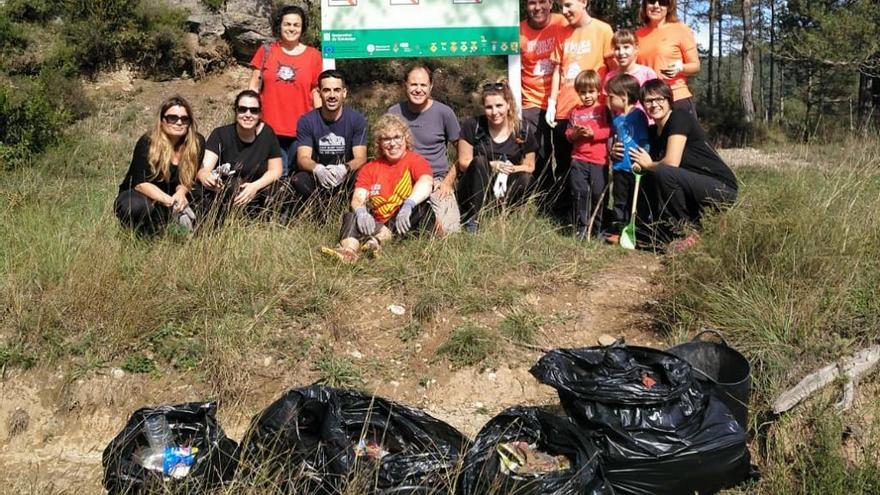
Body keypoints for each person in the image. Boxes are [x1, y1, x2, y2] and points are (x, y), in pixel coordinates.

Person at [628, 79, 737, 250]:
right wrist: (617, 149)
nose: (654, 104)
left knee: (664, 172)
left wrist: (649, 165)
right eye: (649, 101)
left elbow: (671, 162)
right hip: (691, 187)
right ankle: (647, 225)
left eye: (660, 99)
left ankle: (687, 233)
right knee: (650, 175)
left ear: (669, 100)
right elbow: (637, 158)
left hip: (720, 189)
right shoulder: (652, 133)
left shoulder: (680, 117)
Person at [322, 114, 435, 263]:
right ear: (379, 143)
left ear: (405, 139)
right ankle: (348, 251)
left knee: (422, 207)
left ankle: (375, 243)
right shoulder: (370, 168)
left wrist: (409, 204)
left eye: (397, 137)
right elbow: (358, 198)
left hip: (406, 221)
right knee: (353, 214)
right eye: (386, 139)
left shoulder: (415, 160)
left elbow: (426, 181)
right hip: (379, 223)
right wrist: (362, 212)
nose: (392, 143)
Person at [546, 0, 614, 222]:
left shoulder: (603, 30)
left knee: (595, 168)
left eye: (568, 5)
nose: (564, 11)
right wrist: (552, 102)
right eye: (561, 6)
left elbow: (612, 68)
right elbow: (557, 69)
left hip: (595, 113)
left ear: (584, 2)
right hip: (566, 112)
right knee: (566, 166)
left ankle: (598, 217)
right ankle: (569, 215)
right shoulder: (561, 32)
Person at [388, 64, 462, 235]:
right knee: (393, 228)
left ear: (431, 87)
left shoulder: (445, 113)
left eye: (423, 85)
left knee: (451, 232)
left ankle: (431, 217)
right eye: (413, 85)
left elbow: (463, 153)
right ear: (405, 85)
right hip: (404, 179)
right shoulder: (393, 112)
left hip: (437, 181)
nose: (418, 90)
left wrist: (447, 182)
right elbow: (385, 149)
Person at [248, 4, 322, 176]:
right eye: (287, 24)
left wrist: (321, 123)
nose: (291, 28)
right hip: (269, 128)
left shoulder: (313, 55)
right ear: (279, 25)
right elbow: (253, 87)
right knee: (277, 177)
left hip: (302, 130)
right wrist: (251, 118)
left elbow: (316, 92)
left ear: (302, 28)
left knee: (299, 177)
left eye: (296, 25)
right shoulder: (266, 50)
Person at [115, 95, 204, 236]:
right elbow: (140, 184)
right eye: (172, 118)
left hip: (174, 196)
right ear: (162, 120)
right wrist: (171, 202)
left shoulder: (197, 143)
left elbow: (189, 178)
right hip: (144, 195)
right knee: (136, 206)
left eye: (184, 119)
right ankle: (141, 236)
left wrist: (181, 194)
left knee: (205, 195)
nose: (179, 122)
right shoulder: (147, 142)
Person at [457, 81, 538, 233]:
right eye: (489, 107)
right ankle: (473, 219)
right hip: (476, 183)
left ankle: (505, 213)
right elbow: (463, 162)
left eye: (499, 106)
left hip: (506, 182)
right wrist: (492, 165)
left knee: (527, 179)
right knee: (480, 162)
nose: (494, 112)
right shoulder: (472, 125)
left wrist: (507, 167)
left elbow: (530, 166)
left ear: (508, 105)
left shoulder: (523, 129)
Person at [288, 69, 368, 218]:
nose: (332, 95)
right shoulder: (307, 120)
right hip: (318, 177)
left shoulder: (357, 119)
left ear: (344, 93)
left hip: (344, 175)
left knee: (363, 176)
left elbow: (361, 158)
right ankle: (317, 214)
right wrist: (317, 169)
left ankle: (350, 212)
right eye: (326, 90)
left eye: (336, 90)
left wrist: (344, 168)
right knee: (299, 180)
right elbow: (302, 158)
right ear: (319, 93)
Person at [195, 90, 283, 221]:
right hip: (229, 192)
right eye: (242, 109)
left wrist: (254, 187)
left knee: (283, 189)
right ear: (235, 111)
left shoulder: (267, 133)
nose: (248, 115)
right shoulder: (220, 134)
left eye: (253, 110)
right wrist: (207, 178)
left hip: (257, 190)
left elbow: (276, 170)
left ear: (260, 114)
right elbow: (204, 169)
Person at [520, 0, 569, 205]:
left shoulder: (563, 23)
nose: (537, 7)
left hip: (561, 98)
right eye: (532, 3)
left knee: (564, 148)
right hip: (531, 99)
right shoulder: (518, 31)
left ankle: (566, 194)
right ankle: (545, 197)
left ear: (550, 3)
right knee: (539, 150)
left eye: (542, 2)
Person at [606, 73, 651, 243]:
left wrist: (641, 160)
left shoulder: (638, 115)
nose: (609, 100)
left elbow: (644, 139)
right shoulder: (616, 117)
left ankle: (637, 229)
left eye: (612, 97)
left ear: (624, 97)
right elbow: (615, 139)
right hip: (619, 167)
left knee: (636, 200)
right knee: (619, 200)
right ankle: (618, 229)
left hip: (635, 168)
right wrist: (612, 153)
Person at [566, 70, 611, 240]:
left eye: (591, 91)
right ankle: (581, 228)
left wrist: (594, 133)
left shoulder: (603, 109)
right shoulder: (574, 112)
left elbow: (610, 130)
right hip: (578, 159)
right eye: (583, 92)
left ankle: (597, 227)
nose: (587, 96)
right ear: (578, 93)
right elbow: (568, 134)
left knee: (598, 193)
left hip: (599, 161)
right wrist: (575, 134)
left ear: (598, 91)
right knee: (580, 193)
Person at [636, 0, 700, 115]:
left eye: (662, 2)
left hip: (676, 99)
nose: (656, 6)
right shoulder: (637, 35)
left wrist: (680, 68)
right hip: (649, 103)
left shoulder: (680, 29)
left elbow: (695, 66)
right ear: (645, 5)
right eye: (651, 1)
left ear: (669, 7)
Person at [603, 28, 659, 93]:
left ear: (636, 48)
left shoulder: (647, 74)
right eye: (617, 48)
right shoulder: (610, 77)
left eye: (626, 47)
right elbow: (607, 101)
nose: (621, 52)